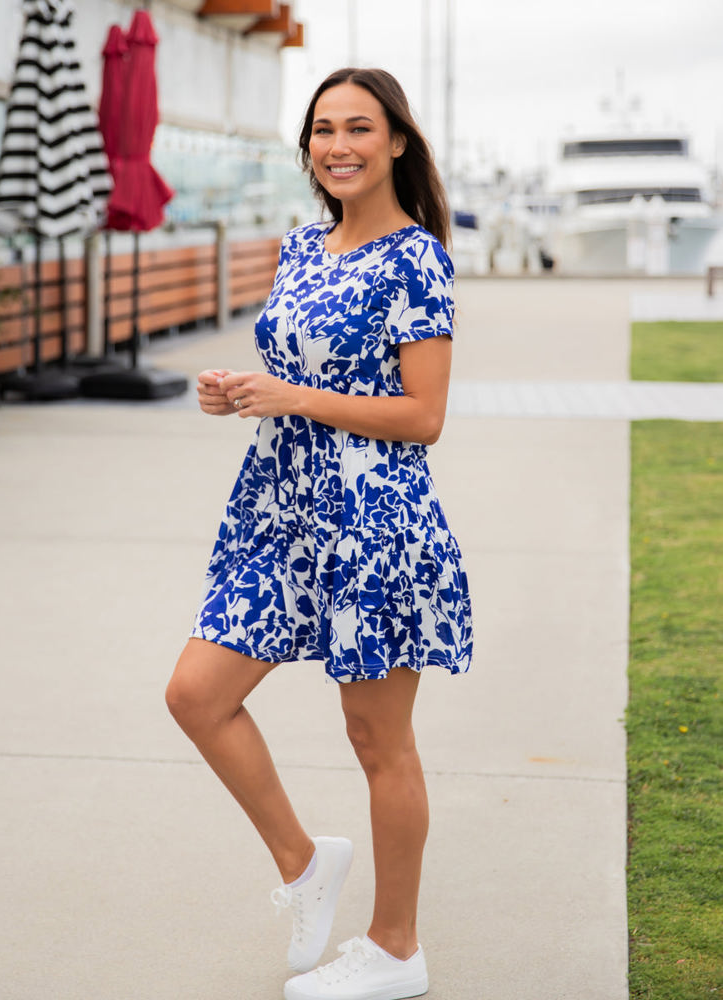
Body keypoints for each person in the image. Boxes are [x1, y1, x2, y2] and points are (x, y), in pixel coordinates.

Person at [165, 67, 473, 1000]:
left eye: (358, 128)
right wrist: (236, 396)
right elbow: (291, 376)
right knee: (195, 694)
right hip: (278, 510)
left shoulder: (416, 258)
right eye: (323, 129)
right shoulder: (301, 248)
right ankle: (304, 863)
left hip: (374, 516)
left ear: (397, 144)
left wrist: (295, 397)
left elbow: (424, 416)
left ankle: (395, 948)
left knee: (378, 739)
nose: (338, 144)